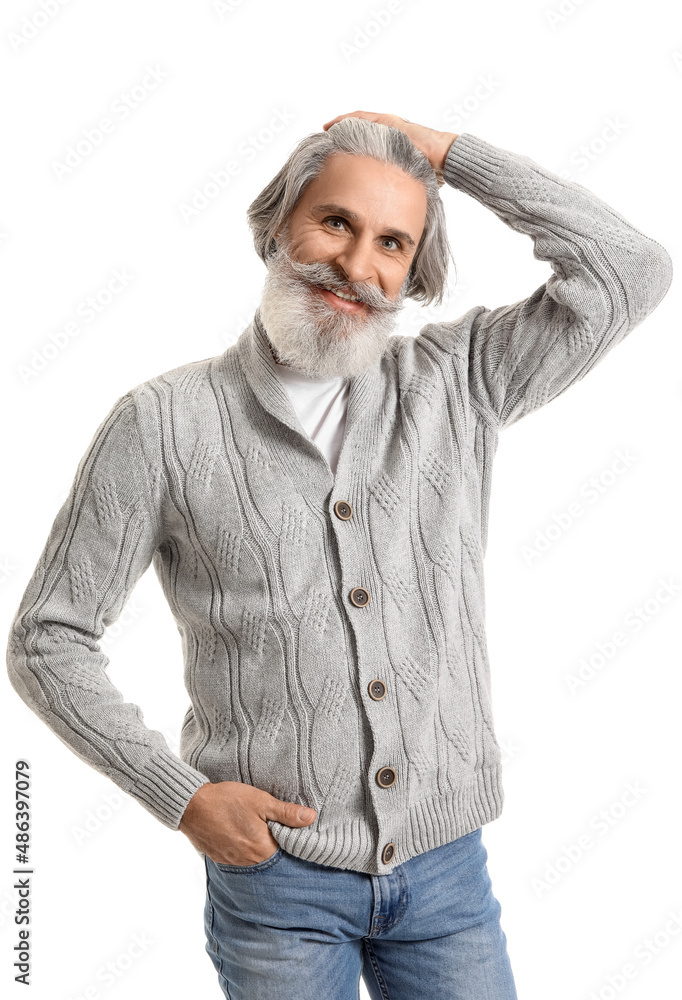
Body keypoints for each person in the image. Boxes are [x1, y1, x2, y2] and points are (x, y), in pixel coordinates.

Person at [6, 110, 672, 999]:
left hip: (447, 876)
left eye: (393, 243)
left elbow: (630, 270)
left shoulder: (458, 382)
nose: (358, 266)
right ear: (281, 223)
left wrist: (447, 156)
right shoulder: (162, 424)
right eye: (335, 224)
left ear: (413, 272)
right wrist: (181, 795)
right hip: (276, 883)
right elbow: (48, 637)